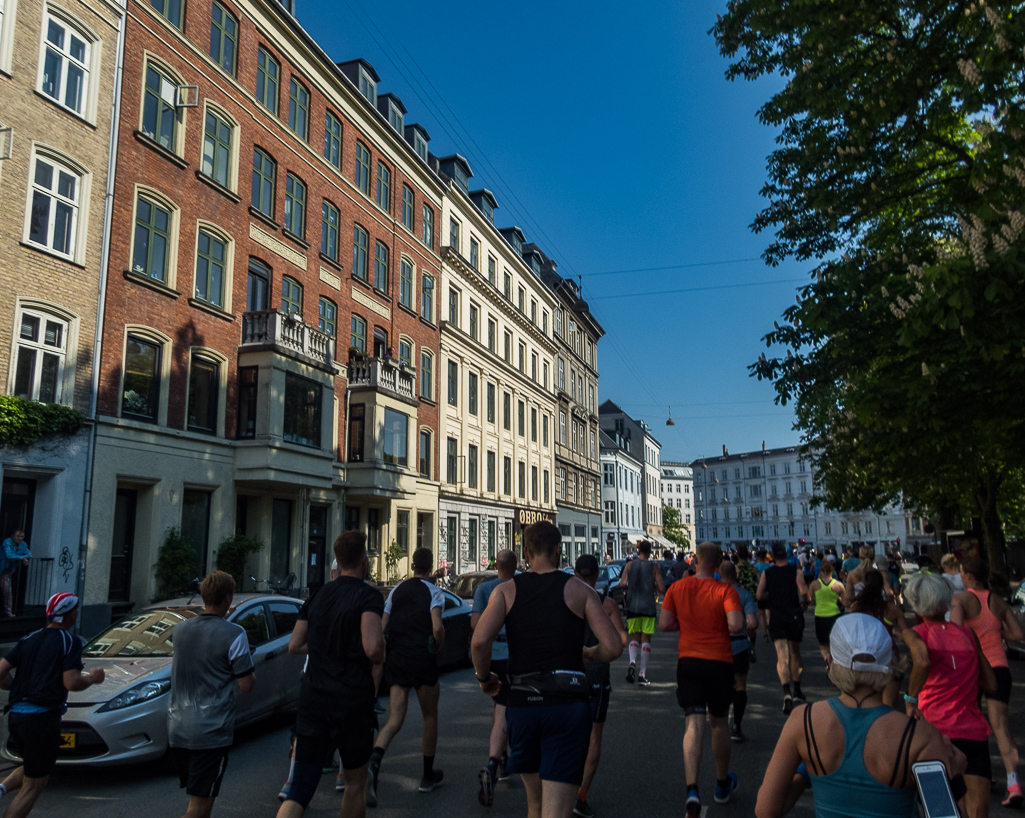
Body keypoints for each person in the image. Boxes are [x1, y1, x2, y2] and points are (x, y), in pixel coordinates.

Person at [471, 521, 622, 818]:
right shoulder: (579, 590)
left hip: (523, 704)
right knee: (556, 810)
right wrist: (591, 653)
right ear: (558, 550)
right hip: (567, 705)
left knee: (535, 805)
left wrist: (484, 677)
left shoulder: (505, 591)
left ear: (526, 552)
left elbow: (479, 641)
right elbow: (614, 646)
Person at [754, 612, 966, 818]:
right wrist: (955, 780)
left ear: (830, 661)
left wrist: (805, 774)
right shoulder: (921, 737)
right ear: (891, 665)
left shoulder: (803, 721)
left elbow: (766, 810)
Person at [276, 531, 385, 818]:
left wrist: (327, 645)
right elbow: (373, 647)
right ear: (364, 560)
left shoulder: (318, 595)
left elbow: (295, 644)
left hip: (313, 699)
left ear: (338, 561)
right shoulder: (368, 595)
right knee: (354, 785)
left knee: (299, 788)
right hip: (351, 701)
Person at [0, 593, 103, 817]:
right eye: (75, 609)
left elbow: (1, 671)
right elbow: (72, 681)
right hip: (42, 719)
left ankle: (1, 788)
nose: (77, 613)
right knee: (34, 786)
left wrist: (17, 686)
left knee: (33, 766)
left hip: (16, 716)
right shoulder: (69, 641)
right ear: (71, 613)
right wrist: (93, 678)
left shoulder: (29, 638)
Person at [660, 542, 743, 816]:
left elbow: (664, 624)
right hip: (719, 661)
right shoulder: (725, 590)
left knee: (693, 724)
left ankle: (692, 789)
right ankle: (721, 784)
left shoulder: (677, 589)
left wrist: (686, 623)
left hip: (689, 661)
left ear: (695, 561)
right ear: (718, 564)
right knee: (719, 722)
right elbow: (736, 625)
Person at [906, 571, 997, 818]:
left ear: (916, 603)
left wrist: (910, 698)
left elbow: (922, 662)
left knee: (942, 811)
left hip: (935, 730)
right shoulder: (968, 634)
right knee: (979, 812)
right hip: (972, 729)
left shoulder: (919, 634)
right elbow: (991, 683)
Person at [167, 571, 255, 818]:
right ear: (228, 598)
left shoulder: (180, 630)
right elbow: (247, 684)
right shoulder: (234, 633)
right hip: (210, 730)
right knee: (199, 808)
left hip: (178, 728)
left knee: (198, 805)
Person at [368, 548, 446, 805]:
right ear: (431, 566)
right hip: (422, 659)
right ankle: (426, 776)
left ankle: (375, 761)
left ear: (412, 565)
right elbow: (436, 626)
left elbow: (382, 626)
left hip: (398, 659)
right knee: (430, 715)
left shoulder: (396, 591)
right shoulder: (433, 592)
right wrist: (438, 644)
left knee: (394, 719)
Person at [951, 556, 1025, 808]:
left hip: (973, 669)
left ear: (969, 576)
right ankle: (1013, 783)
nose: (960, 577)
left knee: (974, 723)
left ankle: (984, 774)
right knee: (1001, 726)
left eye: (962, 573)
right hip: (999, 667)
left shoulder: (961, 600)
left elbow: (957, 633)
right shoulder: (999, 601)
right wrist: (996, 632)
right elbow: (1018, 634)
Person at [572, 553, 628, 818]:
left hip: (567, 676)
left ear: (574, 574)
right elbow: (621, 640)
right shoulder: (606, 605)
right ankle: (580, 795)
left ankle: (561, 788)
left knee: (566, 734)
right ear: (595, 576)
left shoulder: (566, 604)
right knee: (594, 737)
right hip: (596, 675)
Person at [472, 549, 518, 807]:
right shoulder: (519, 585)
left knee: (500, 703)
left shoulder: (484, 589)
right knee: (505, 706)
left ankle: (504, 758)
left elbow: (475, 626)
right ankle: (495, 762)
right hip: (516, 655)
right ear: (516, 565)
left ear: (496, 565)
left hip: (493, 655)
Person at [757, 542, 809, 712]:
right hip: (793, 614)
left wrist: (772, 595)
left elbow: (759, 594)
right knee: (795, 653)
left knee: (782, 656)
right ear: (786, 555)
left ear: (772, 555)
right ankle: (798, 690)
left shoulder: (767, 573)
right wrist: (805, 603)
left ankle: (786, 691)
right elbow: (803, 591)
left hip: (777, 615)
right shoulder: (796, 571)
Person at [848, 571, 908, 708]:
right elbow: (906, 634)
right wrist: (898, 634)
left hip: (865, 657)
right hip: (890, 657)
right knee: (888, 706)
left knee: (867, 705)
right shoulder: (892, 609)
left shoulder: (857, 608)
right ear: (882, 586)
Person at [718, 560, 758, 743]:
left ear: (719, 573)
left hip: (718, 646)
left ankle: (720, 724)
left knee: (721, 684)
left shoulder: (713, 593)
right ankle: (737, 726)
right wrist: (749, 632)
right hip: (740, 644)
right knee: (740, 685)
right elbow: (752, 623)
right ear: (736, 574)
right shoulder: (743, 595)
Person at [619, 540, 665, 685]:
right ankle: (642, 673)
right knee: (646, 639)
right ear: (650, 551)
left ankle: (632, 661)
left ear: (638, 550)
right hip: (648, 606)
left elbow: (622, 584)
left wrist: (630, 587)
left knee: (634, 637)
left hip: (633, 606)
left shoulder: (629, 565)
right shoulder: (654, 567)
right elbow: (663, 588)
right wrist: (655, 585)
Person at [808, 560, 847, 665]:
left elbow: (810, 600)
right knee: (834, 641)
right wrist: (837, 598)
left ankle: (827, 659)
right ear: (832, 570)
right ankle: (834, 660)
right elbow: (845, 602)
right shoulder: (838, 585)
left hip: (820, 615)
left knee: (823, 644)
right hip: (834, 615)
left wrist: (816, 602)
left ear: (821, 571)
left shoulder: (814, 584)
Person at [1, 531, 31, 618]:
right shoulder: (7, 542)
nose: (20, 538)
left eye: (22, 536)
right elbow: (8, 555)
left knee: (8, 592)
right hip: (3, 567)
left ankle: (8, 611)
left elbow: (29, 554)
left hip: (7, 571)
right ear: (12, 536)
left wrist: (24, 558)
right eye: (18, 536)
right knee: (7, 591)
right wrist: (22, 558)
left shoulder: (23, 544)